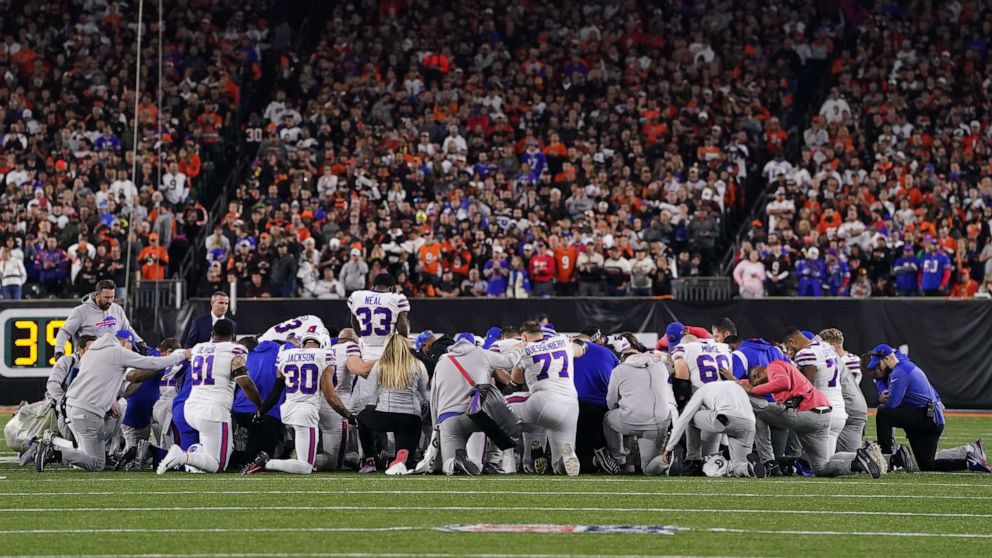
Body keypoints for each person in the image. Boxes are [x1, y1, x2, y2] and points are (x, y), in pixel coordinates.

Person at [30, 330, 190, 472]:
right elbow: (151, 363)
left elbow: (98, 380)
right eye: (130, 345)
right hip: (86, 412)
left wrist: (111, 399)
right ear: (125, 342)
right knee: (96, 463)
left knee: (100, 445)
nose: (130, 349)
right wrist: (180, 355)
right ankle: (53, 451)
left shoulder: (92, 351)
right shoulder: (117, 352)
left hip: (73, 407)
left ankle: (59, 447)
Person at [737, 360, 886, 478]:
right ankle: (858, 460)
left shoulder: (773, 366)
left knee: (756, 406)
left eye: (758, 382)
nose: (762, 386)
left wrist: (753, 389)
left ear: (756, 374)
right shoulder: (785, 371)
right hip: (822, 417)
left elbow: (783, 382)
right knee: (821, 468)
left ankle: (768, 461)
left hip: (805, 412)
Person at [157, 320, 264, 474]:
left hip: (191, 408)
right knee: (219, 464)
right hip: (214, 412)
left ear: (212, 334)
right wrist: (260, 405)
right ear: (233, 336)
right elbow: (244, 382)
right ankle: (182, 456)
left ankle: (193, 454)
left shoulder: (198, 348)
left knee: (216, 453)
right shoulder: (236, 349)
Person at [242, 332, 356, 475]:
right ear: (323, 344)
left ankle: (272, 462)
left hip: (288, 411)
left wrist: (262, 411)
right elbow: (330, 396)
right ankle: (267, 463)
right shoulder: (324, 355)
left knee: (305, 459)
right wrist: (348, 415)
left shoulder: (285, 354)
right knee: (306, 466)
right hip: (306, 412)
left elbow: (276, 391)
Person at [867, 345, 990, 472]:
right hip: (930, 418)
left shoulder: (900, 372)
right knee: (927, 465)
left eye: (878, 365)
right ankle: (970, 462)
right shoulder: (903, 365)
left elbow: (892, 404)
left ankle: (886, 458)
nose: (878, 369)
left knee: (883, 412)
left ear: (887, 359)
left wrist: (882, 398)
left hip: (926, 419)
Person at [431, 332, 520, 474]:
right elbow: (509, 361)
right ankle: (495, 460)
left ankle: (455, 463)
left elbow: (434, 397)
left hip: (447, 419)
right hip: (475, 417)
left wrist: (436, 425)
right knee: (477, 465)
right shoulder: (481, 354)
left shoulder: (442, 361)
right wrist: (519, 348)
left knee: (448, 466)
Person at [506, 321, 585, 476]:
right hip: (570, 405)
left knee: (498, 405)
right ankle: (563, 460)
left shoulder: (525, 348)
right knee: (559, 465)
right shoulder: (562, 341)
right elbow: (581, 348)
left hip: (543, 400)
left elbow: (516, 381)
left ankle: (502, 459)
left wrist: (517, 356)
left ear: (523, 336)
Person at [603, 340, 677, 476]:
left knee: (608, 417)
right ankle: (664, 460)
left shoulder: (619, 370)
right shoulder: (660, 366)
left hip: (630, 421)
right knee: (648, 469)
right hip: (659, 423)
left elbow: (611, 401)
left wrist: (622, 406)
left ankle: (620, 460)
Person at [359, 333, 430, 474]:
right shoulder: (418, 364)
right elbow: (426, 395)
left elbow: (369, 396)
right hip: (410, 418)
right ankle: (401, 458)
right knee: (406, 464)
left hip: (385, 416)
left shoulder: (380, 365)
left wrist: (373, 411)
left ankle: (369, 459)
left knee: (361, 418)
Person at [663, 381, 759, 477]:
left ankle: (693, 459)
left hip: (726, 419)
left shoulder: (701, 390)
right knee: (737, 465)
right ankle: (748, 468)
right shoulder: (736, 386)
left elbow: (683, 419)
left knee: (690, 416)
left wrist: (669, 448)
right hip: (749, 424)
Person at [315, 329, 376, 471]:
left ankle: (303, 457)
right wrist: (384, 358)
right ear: (353, 340)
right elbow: (360, 369)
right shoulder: (350, 347)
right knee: (334, 462)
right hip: (337, 404)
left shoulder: (327, 349)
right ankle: (301, 463)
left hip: (317, 401)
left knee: (346, 449)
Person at [670, 333, 733, 470]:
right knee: (712, 453)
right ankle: (724, 457)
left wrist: (680, 402)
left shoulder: (684, 349)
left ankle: (694, 459)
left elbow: (682, 381)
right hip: (729, 403)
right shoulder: (723, 348)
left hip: (707, 404)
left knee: (689, 414)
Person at [783, 328, 847, 454]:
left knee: (820, 466)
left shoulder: (806, 353)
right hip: (839, 411)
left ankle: (856, 462)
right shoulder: (826, 347)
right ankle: (857, 459)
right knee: (826, 464)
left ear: (792, 341)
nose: (789, 352)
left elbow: (807, 387)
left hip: (822, 412)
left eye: (788, 348)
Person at [571, 329, 621, 473]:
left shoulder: (567, 352)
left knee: (577, 454)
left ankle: (594, 460)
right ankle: (605, 458)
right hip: (603, 407)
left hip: (573, 404)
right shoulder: (608, 353)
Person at [54, 280, 143, 359]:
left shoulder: (117, 309)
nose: (110, 301)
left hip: (113, 361)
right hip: (89, 361)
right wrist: (59, 351)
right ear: (97, 294)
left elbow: (127, 329)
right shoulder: (81, 311)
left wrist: (140, 342)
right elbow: (65, 332)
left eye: (112, 297)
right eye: (106, 297)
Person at [817, 328, 868, 454]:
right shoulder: (849, 359)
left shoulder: (850, 361)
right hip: (846, 406)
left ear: (831, 344)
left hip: (845, 406)